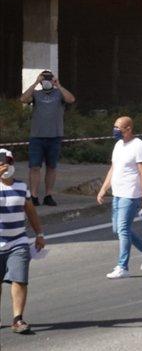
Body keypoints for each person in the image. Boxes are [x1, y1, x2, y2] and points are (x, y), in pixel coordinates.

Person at [95, 117, 142, 279]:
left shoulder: (139, 146)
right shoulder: (118, 145)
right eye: (114, 126)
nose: (115, 130)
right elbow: (113, 169)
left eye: (118, 128)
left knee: (122, 230)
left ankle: (123, 267)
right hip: (117, 193)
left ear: (128, 129)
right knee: (119, 229)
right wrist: (103, 189)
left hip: (131, 195)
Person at [0, 149, 45, 334]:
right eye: (2, 162)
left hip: (18, 241)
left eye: (8, 161)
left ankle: (18, 319)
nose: (5, 165)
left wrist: (39, 234)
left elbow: (30, 211)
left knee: (20, 280)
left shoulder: (21, 186)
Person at [20, 69, 75, 207]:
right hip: (37, 137)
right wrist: (35, 83)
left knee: (51, 166)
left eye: (49, 78)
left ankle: (48, 195)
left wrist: (58, 85)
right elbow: (23, 99)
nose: (47, 81)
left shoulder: (59, 94)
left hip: (54, 136)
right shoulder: (36, 94)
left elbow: (71, 99)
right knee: (34, 167)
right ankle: (33, 195)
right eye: (44, 78)